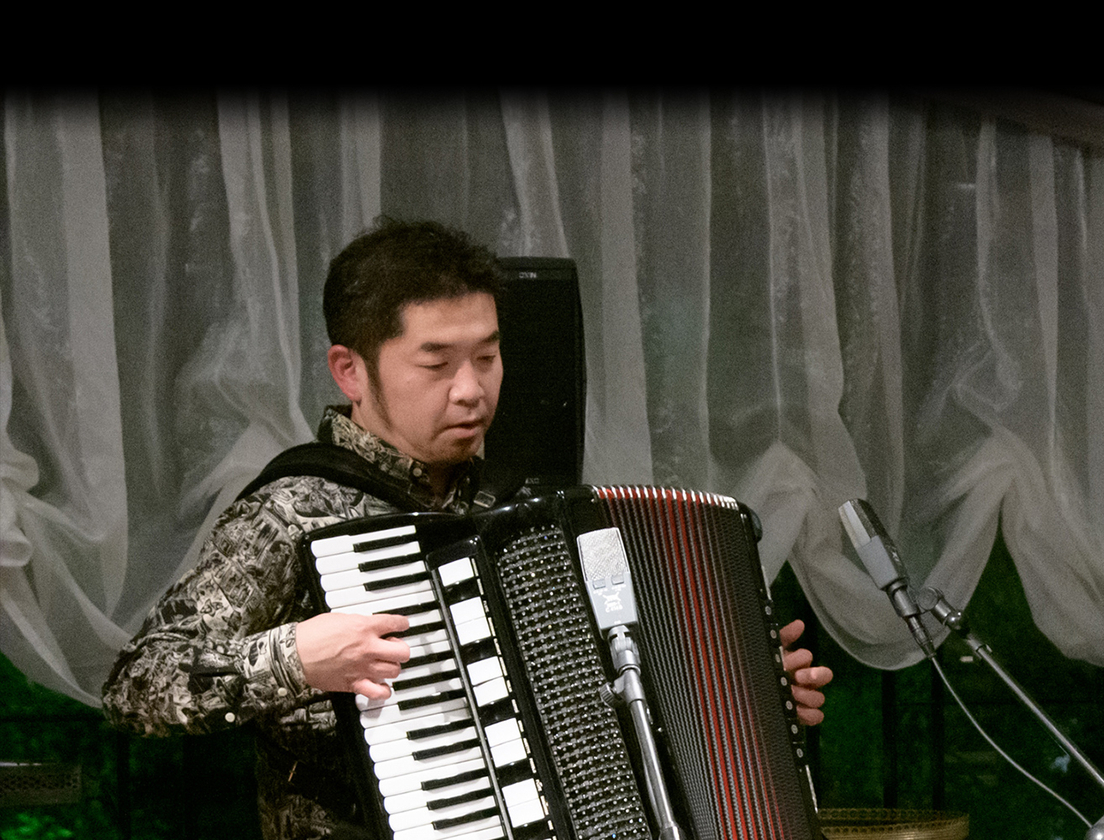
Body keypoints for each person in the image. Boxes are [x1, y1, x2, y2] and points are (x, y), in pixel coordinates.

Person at [102, 219, 833, 839]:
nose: (471, 390)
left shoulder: (522, 511)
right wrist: (296, 657)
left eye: (487, 356)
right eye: (436, 363)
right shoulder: (293, 511)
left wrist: (741, 702)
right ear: (350, 371)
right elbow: (138, 684)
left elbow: (608, 703)